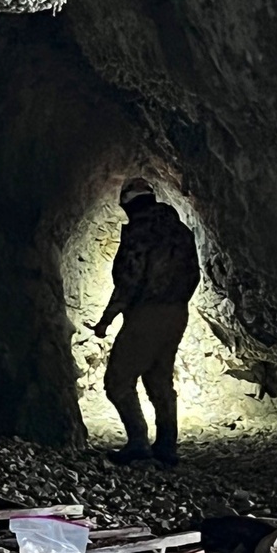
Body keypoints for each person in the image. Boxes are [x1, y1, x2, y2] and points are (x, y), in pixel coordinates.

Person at [93, 178, 200, 468]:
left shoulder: (140, 232)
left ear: (127, 203)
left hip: (147, 313)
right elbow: (194, 274)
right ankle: (167, 446)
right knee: (159, 379)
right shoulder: (179, 231)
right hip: (177, 311)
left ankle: (138, 443)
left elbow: (130, 278)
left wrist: (107, 318)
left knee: (118, 380)